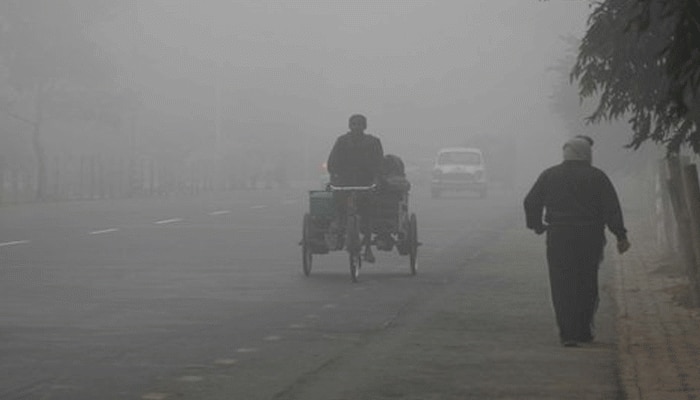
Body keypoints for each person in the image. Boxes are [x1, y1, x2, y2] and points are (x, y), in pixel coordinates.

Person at [523, 137, 631, 347]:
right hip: (589, 237)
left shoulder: (549, 175)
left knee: (562, 284)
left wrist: (537, 225)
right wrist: (621, 235)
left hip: (559, 236)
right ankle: (583, 331)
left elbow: (530, 201)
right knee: (586, 282)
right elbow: (611, 208)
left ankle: (568, 333)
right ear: (585, 153)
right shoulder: (597, 176)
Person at [327, 114, 384, 263]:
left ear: (365, 126)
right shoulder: (341, 142)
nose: (356, 127)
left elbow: (379, 164)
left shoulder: (373, 142)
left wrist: (376, 179)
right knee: (338, 206)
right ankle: (338, 229)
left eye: (359, 124)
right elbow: (332, 162)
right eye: (354, 124)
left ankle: (368, 248)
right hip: (344, 184)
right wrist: (334, 176)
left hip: (366, 184)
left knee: (368, 213)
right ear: (349, 126)